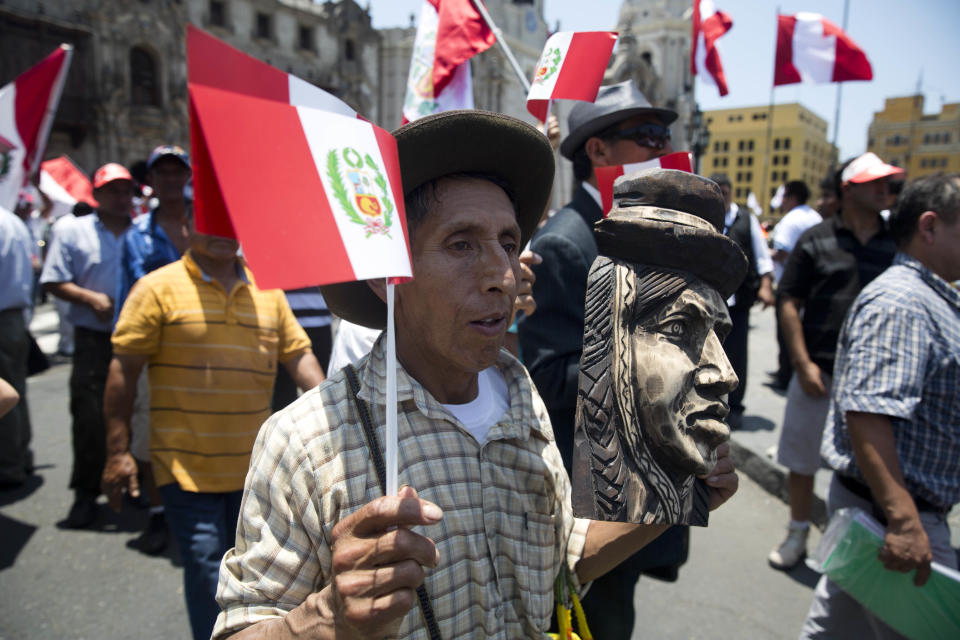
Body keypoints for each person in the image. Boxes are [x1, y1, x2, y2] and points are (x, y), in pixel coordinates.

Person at [211, 110, 739, 639]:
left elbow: (557, 566)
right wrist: (324, 618)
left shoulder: (519, 391)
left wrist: (674, 483)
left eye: (508, 244)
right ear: (385, 273)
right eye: (462, 244)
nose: (504, 277)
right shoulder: (305, 442)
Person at [101, 213, 325, 640]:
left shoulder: (268, 290)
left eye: (231, 220)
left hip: (258, 477)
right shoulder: (156, 288)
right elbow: (123, 371)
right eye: (209, 219)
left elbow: (299, 357)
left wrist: (339, 415)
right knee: (208, 575)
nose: (222, 230)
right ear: (186, 227)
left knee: (261, 584)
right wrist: (117, 451)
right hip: (185, 470)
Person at [518, 80, 684, 637]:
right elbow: (547, 375)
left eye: (665, 135)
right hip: (597, 488)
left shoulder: (642, 233)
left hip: (639, 476)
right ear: (598, 150)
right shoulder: (567, 243)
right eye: (646, 136)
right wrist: (650, 362)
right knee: (597, 618)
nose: (661, 148)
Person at [800, 173, 960, 638]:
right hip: (894, 519)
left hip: (883, 514)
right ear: (929, 227)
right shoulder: (903, 303)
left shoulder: (924, 297)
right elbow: (868, 416)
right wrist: (906, 524)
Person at [768, 153, 903, 570]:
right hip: (820, 374)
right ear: (849, 188)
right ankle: (797, 533)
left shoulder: (898, 241)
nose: (886, 190)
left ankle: (859, 550)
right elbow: (789, 300)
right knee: (801, 459)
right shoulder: (816, 238)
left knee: (873, 470)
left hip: (879, 383)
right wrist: (802, 362)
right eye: (876, 182)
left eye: (889, 184)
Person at [40, 163, 134, 527]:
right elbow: (53, 280)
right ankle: (85, 492)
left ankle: (133, 485)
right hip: (94, 339)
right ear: (96, 194)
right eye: (112, 190)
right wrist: (89, 299)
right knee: (89, 415)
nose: (120, 197)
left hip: (135, 336)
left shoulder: (142, 230)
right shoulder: (72, 231)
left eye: (126, 190)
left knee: (137, 411)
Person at [115, 144, 193, 555]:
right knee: (149, 430)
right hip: (155, 347)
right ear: (152, 179)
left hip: (203, 343)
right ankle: (159, 512)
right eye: (161, 173)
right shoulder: (137, 235)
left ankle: (197, 505)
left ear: (187, 175)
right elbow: (126, 296)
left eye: (176, 171)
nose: (170, 179)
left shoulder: (206, 223)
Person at [709, 173, 775, 428]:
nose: (722, 195)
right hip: (711, 300)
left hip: (738, 301)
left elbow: (762, 257)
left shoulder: (746, 220)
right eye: (717, 191)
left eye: (725, 190)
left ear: (732, 193)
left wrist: (766, 286)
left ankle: (735, 407)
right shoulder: (705, 216)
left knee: (736, 355)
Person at [769, 180, 818, 389]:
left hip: (789, 287)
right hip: (813, 287)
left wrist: (765, 253)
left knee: (786, 333)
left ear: (791, 198)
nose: (781, 201)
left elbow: (782, 253)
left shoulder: (790, 220)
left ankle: (785, 375)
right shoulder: (814, 216)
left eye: (784, 197)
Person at [0, 203, 35, 488]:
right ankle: (21, 455)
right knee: (17, 389)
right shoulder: (11, 221)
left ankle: (10, 464)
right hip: (15, 316)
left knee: (7, 394)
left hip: (3, 316)